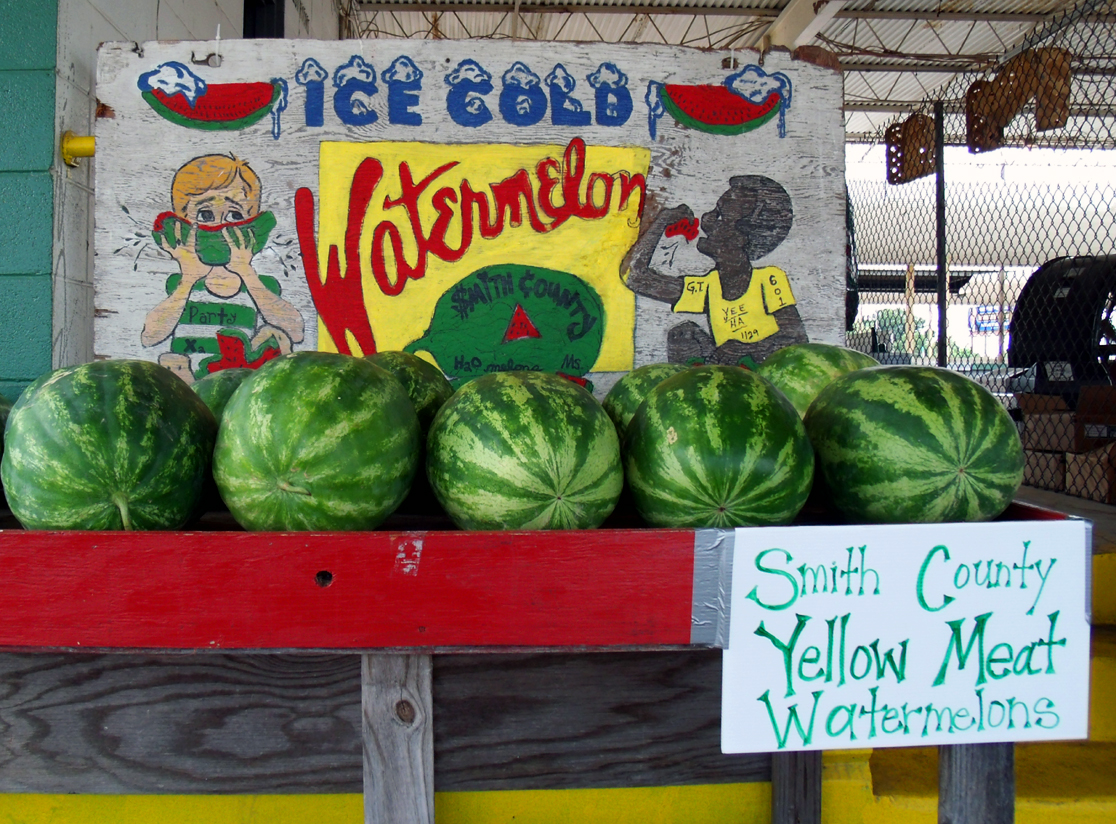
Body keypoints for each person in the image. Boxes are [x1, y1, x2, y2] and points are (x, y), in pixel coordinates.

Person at [142, 154, 304, 383]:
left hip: (238, 387)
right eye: (205, 214)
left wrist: (246, 271)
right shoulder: (180, 284)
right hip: (189, 389)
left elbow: (296, 331)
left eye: (234, 214)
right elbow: (150, 336)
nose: (220, 223)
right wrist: (188, 280)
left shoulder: (259, 285)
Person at [623, 175, 808, 366]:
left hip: (766, 377)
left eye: (719, 215)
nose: (706, 219)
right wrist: (662, 221)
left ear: (739, 238)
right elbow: (635, 278)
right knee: (683, 335)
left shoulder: (768, 279)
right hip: (731, 378)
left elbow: (796, 338)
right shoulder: (709, 287)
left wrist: (747, 347)